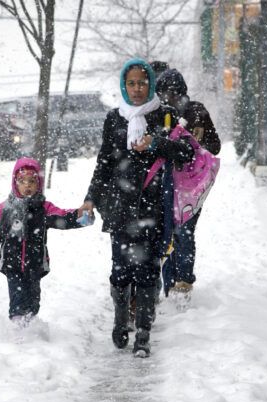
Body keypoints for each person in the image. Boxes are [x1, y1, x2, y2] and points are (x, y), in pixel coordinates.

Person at [79, 58, 194, 357]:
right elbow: (104, 163)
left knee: (146, 271)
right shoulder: (114, 118)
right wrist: (90, 198)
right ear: (123, 85)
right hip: (120, 209)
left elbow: (186, 153)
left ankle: (143, 332)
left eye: (143, 82)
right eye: (131, 83)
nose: (137, 88)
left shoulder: (165, 116)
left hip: (154, 208)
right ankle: (120, 320)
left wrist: (156, 142)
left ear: (151, 83)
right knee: (120, 271)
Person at [0, 157, 94, 325]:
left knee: (33, 299)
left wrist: (79, 217)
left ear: (38, 184)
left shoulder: (44, 209)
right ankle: (18, 326)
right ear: (15, 183)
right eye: (22, 181)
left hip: (35, 263)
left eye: (32, 181)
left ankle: (31, 325)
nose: (27, 185)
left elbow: (62, 217)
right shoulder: (5, 209)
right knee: (17, 297)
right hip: (12, 264)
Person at [155, 68, 221, 298]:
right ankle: (170, 282)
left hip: (190, 188)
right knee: (169, 230)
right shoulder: (161, 115)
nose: (168, 98)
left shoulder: (195, 112)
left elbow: (215, 146)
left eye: (171, 92)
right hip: (169, 184)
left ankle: (182, 281)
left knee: (183, 230)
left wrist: (195, 151)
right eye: (163, 93)